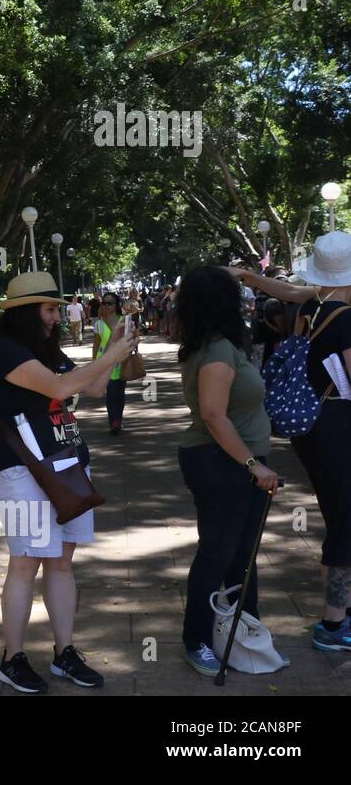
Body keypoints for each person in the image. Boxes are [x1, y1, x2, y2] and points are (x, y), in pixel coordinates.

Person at [0, 272, 135, 693]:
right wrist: (108, 354)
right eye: (50, 309)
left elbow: (95, 387)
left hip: (66, 463)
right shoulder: (2, 350)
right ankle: (12, 659)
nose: (57, 316)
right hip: (21, 467)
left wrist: (111, 347)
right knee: (26, 563)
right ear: (27, 312)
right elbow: (62, 386)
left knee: (62, 562)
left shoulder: (43, 348)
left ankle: (64, 652)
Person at [229, 231, 351, 650]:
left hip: (313, 427)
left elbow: (286, 289)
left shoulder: (313, 306)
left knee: (339, 513)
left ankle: (341, 614)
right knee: (345, 519)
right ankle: (334, 624)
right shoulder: (346, 318)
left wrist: (248, 275)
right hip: (339, 426)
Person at [174, 266, 283, 676]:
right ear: (224, 303)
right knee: (219, 554)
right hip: (223, 462)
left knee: (243, 556)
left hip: (238, 461)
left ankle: (244, 633)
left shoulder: (220, 344)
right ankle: (197, 640)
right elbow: (214, 416)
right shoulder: (218, 349)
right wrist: (253, 465)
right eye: (236, 294)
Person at [92, 292, 129, 435]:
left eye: (110, 303)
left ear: (116, 305)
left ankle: (118, 419)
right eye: (104, 303)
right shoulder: (99, 324)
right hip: (105, 362)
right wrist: (93, 363)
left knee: (119, 393)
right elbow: (96, 345)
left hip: (121, 361)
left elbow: (132, 337)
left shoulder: (123, 321)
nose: (106, 306)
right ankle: (113, 422)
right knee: (111, 393)